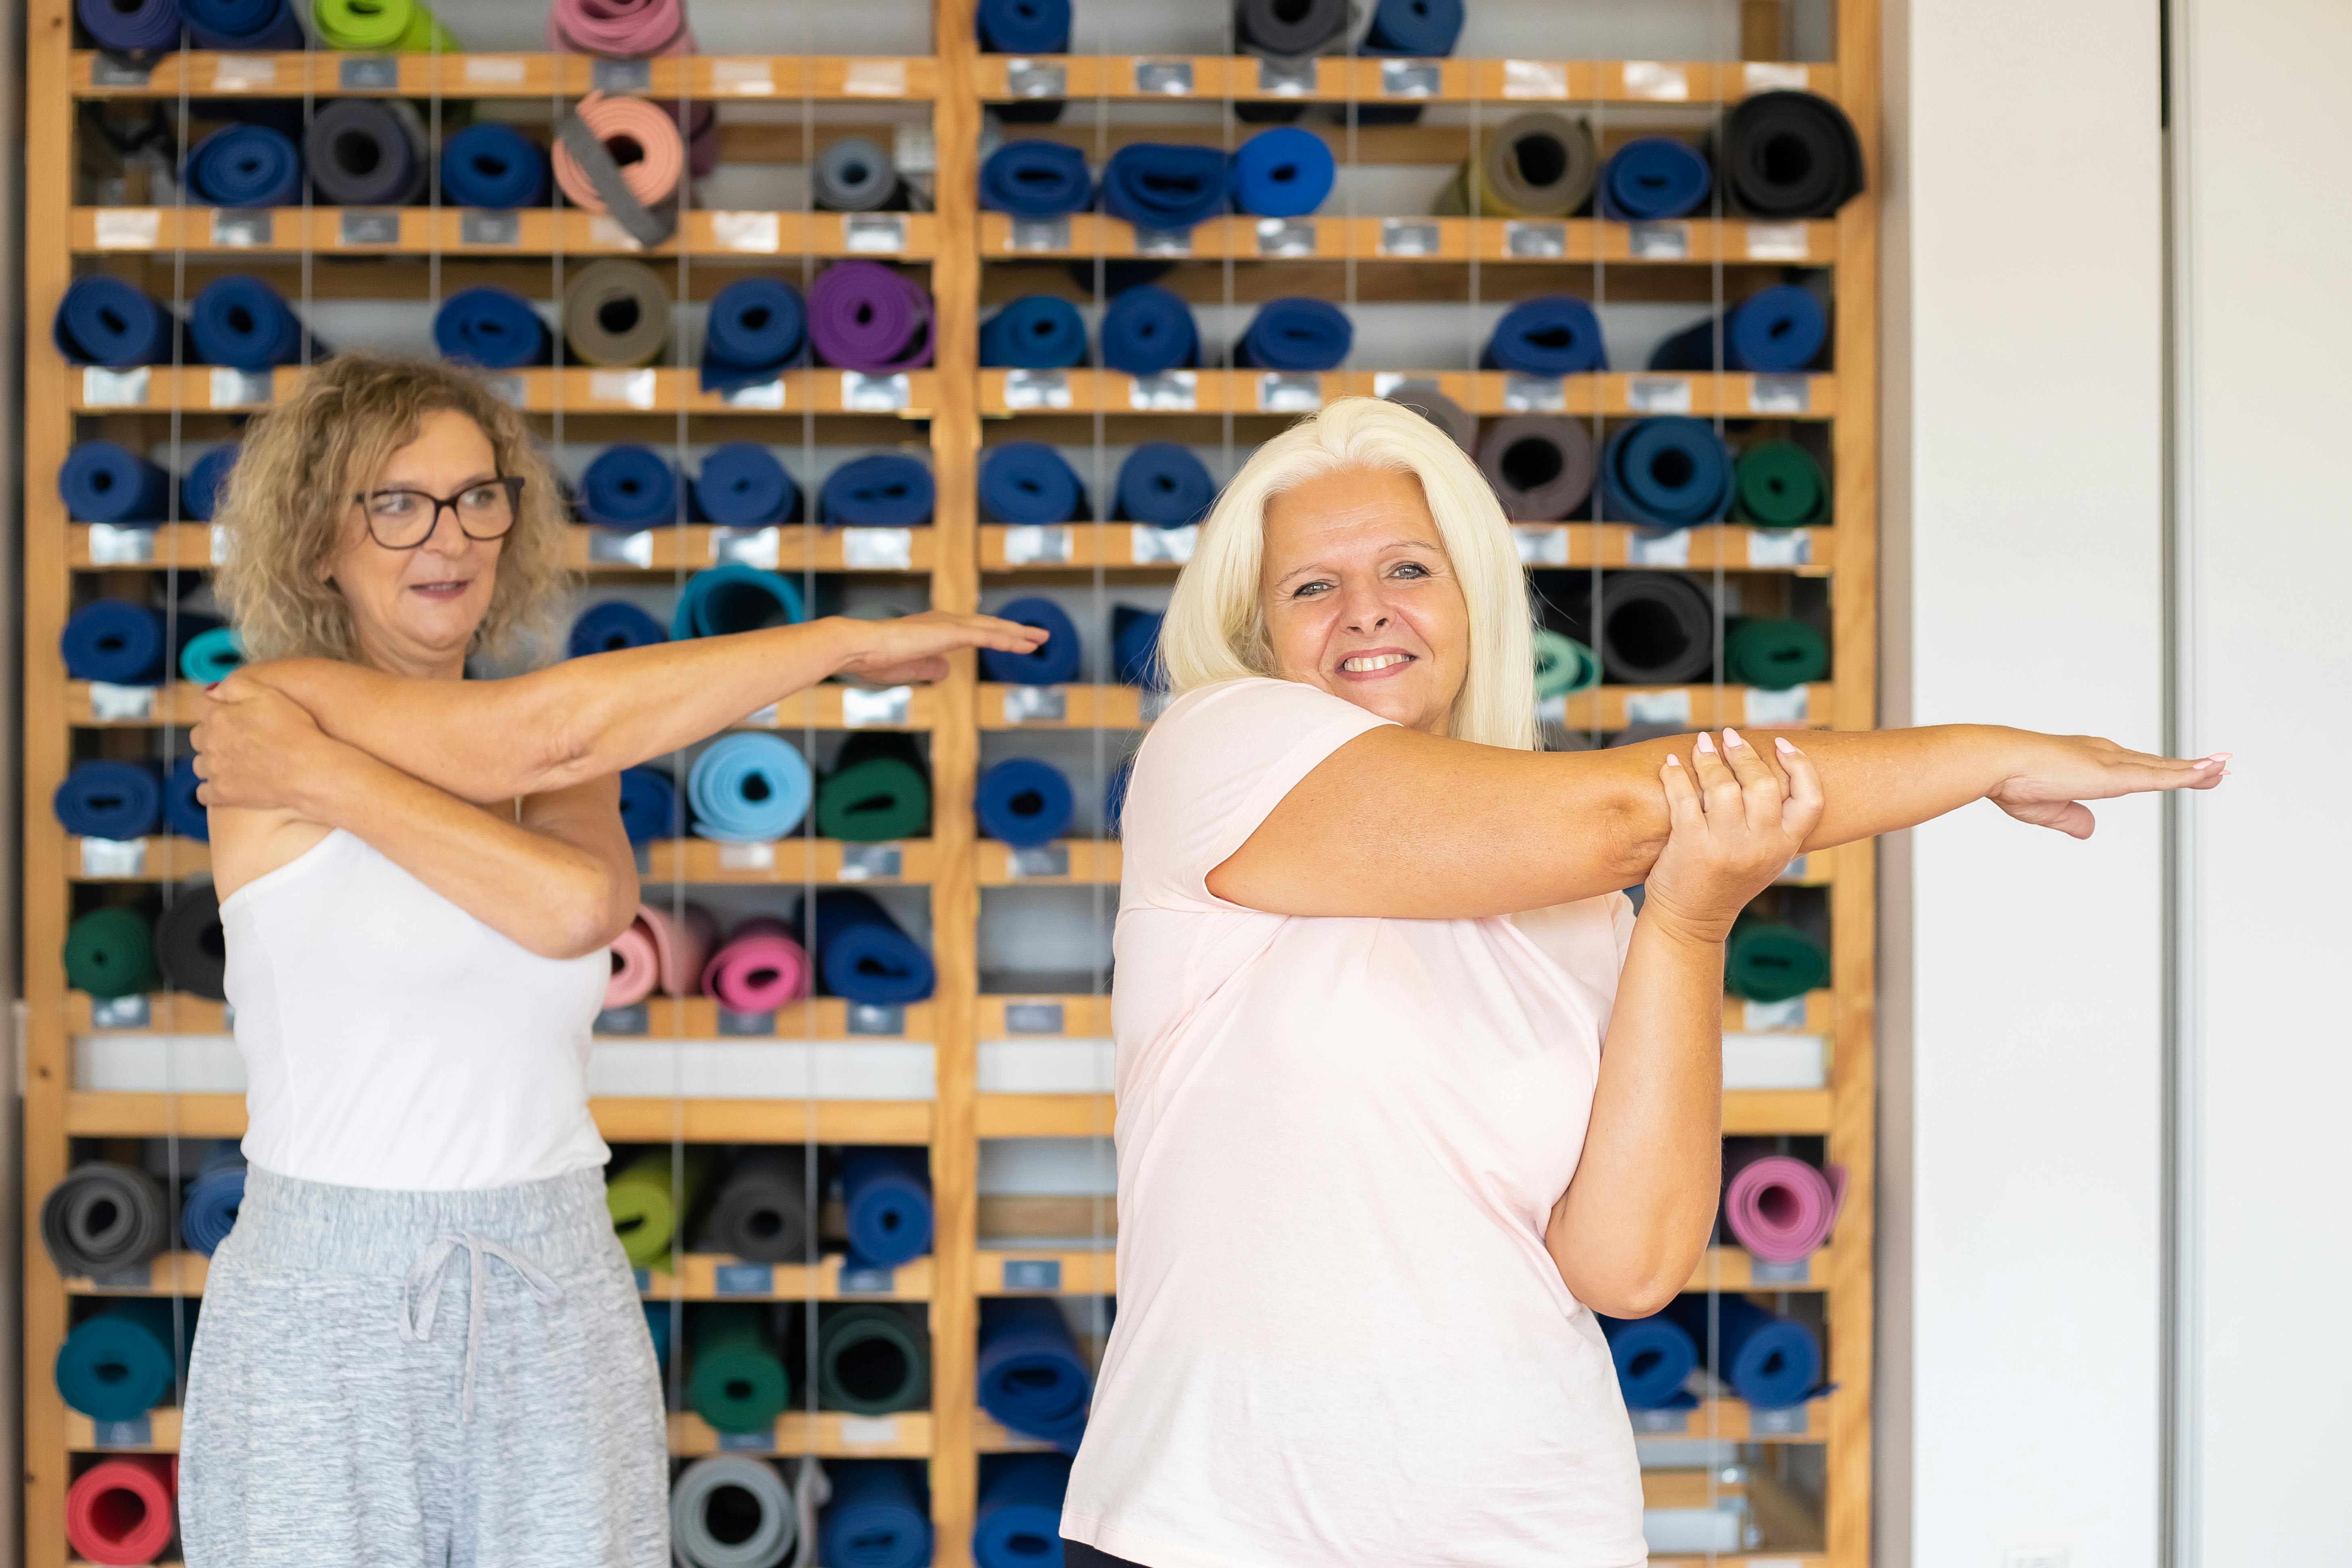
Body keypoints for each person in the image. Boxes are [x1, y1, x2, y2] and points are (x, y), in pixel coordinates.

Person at [1059, 398, 2224, 1568]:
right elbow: (1627, 811)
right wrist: (1983, 755)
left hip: (1531, 1530)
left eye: (1408, 568)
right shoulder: (1212, 755)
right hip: (1211, 1533)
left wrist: (1686, 916)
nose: (1366, 609)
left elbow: (1628, 1266)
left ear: (1471, 601)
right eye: (1312, 585)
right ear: (1259, 636)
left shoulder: (1580, 905)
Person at [176, 354, 1041, 1568]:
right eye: (397, 501)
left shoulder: (389, 755)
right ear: (321, 542)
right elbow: (540, 734)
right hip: (328, 1289)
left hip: (550, 1269)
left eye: (481, 497)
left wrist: (333, 786)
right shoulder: (275, 707)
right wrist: (840, 640)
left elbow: (577, 906)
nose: (452, 535)